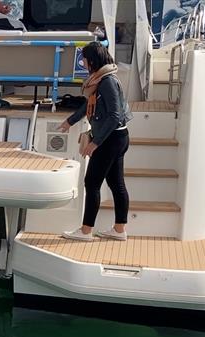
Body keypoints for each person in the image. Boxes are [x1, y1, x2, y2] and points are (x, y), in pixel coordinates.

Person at [58, 42, 133, 242]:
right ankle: (119, 230)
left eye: (84, 59)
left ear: (92, 60)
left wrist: (95, 142)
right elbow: (88, 106)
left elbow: (115, 115)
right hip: (118, 137)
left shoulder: (107, 81)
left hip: (111, 139)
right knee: (116, 183)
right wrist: (70, 121)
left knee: (92, 183)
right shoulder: (99, 79)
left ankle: (85, 231)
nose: (82, 63)